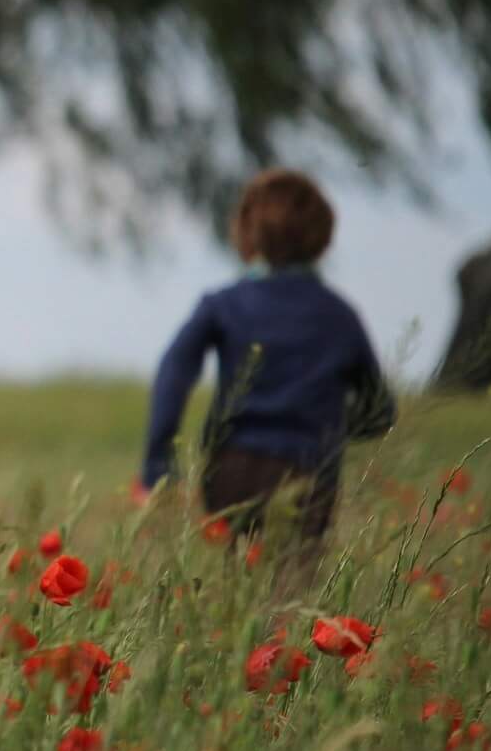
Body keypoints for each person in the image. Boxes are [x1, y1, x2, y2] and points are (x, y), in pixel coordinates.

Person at [137, 169, 395, 546]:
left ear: (246, 233)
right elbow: (379, 411)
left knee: (239, 580)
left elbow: (172, 375)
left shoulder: (222, 305)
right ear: (322, 238)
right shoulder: (340, 316)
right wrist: (328, 429)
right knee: (292, 591)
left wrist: (158, 467)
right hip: (309, 471)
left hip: (231, 469)